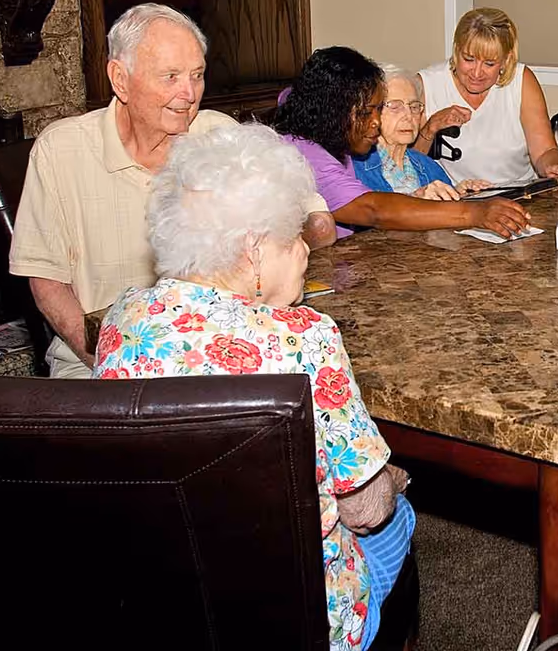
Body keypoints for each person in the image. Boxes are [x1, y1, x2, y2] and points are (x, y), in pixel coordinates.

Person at [93, 123, 413, 651]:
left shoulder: (123, 317)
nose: (307, 251)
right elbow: (363, 509)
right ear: (255, 251)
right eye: (295, 236)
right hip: (298, 614)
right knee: (395, 512)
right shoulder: (306, 339)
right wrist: (395, 477)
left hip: (165, 597)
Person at [8, 3, 336, 379]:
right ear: (119, 78)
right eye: (171, 76)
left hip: (224, 349)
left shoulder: (218, 134)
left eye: (197, 75)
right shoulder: (61, 150)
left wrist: (275, 253)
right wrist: (106, 358)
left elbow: (319, 224)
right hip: (99, 361)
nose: (189, 93)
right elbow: (46, 281)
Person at [272, 46, 532, 239]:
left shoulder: (311, 122)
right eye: (366, 112)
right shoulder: (306, 157)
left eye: (378, 110)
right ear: (332, 111)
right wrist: (475, 213)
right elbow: (372, 210)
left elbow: (293, 96)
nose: (375, 122)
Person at [414, 7, 558, 185]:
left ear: (506, 60)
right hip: (457, 201)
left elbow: (544, 151)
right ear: (456, 50)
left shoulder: (521, 81)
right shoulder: (428, 84)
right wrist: (431, 127)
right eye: (469, 59)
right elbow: (405, 166)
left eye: (489, 63)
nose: (477, 73)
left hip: (517, 196)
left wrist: (553, 167)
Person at [352, 64, 489, 199]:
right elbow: (369, 215)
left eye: (414, 106)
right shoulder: (353, 166)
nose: (409, 115)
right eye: (395, 106)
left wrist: (458, 194)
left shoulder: (428, 165)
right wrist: (415, 199)